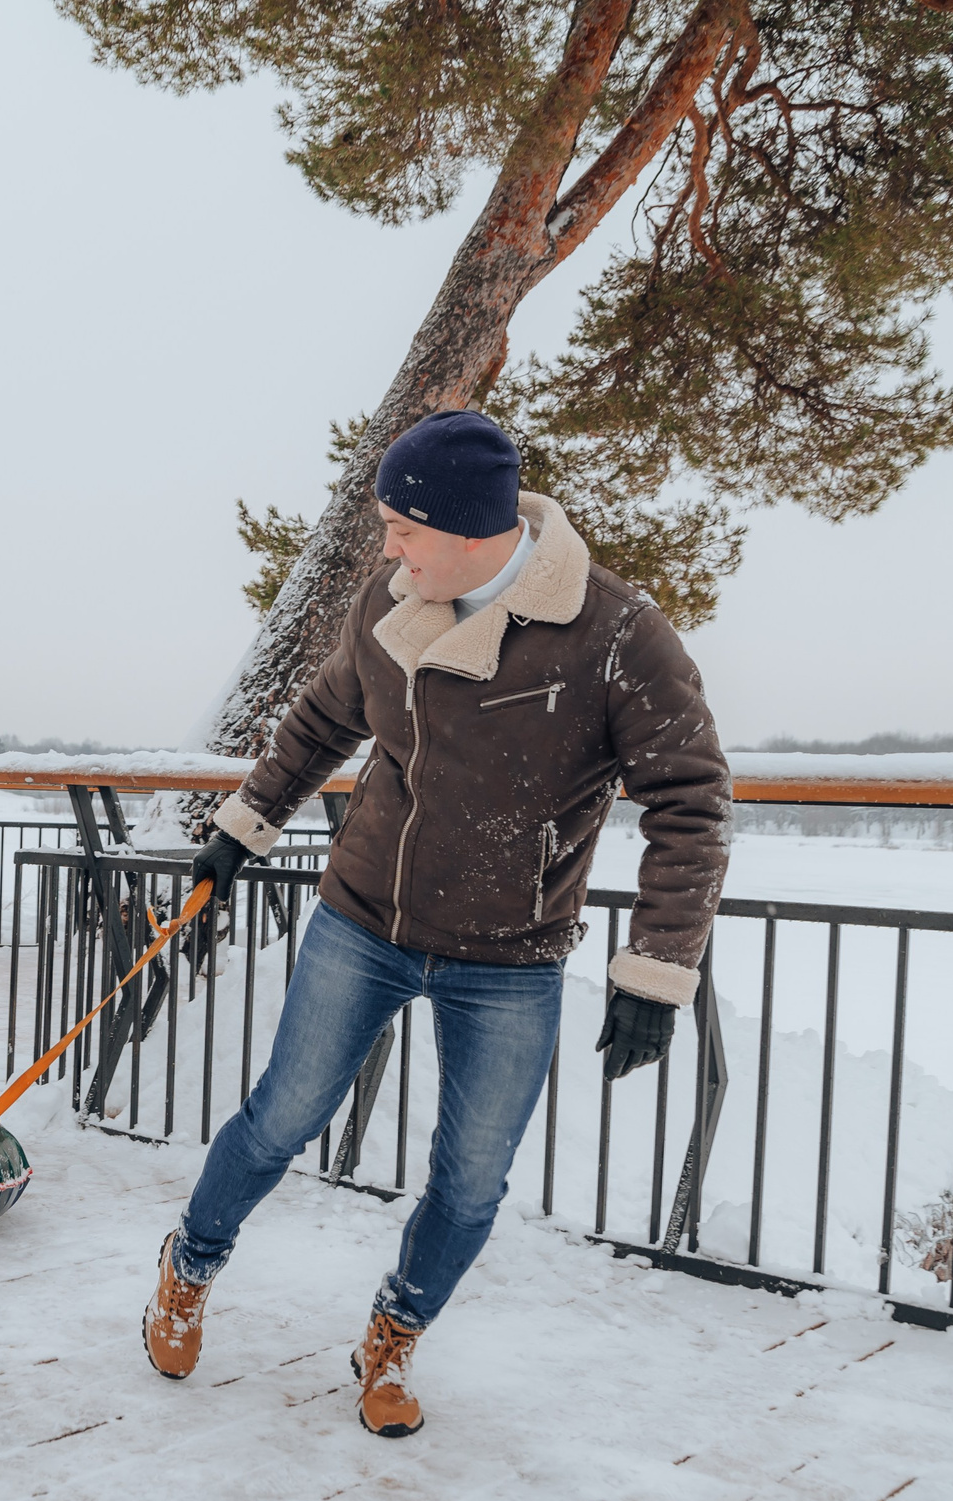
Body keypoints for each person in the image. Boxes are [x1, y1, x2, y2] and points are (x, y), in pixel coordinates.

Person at [143, 409, 730, 1438]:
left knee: (468, 1181)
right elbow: (325, 715)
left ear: (465, 529)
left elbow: (689, 800)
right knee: (281, 1114)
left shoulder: (615, 635)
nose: (386, 550)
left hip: (510, 953)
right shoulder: (391, 599)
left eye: (401, 529)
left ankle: (394, 1333)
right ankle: (187, 1266)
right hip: (365, 917)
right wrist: (244, 825)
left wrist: (656, 969)